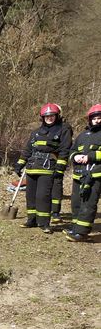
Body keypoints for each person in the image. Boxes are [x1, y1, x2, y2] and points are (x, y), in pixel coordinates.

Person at [14, 103, 72, 234]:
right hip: (32, 168)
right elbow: (28, 149)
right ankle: (32, 220)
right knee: (31, 196)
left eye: (52, 116)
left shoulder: (63, 130)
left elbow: (64, 150)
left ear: (57, 116)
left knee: (42, 196)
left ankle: (44, 223)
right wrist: (19, 164)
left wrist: (60, 167)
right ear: (42, 117)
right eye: (47, 116)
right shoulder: (35, 132)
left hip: (48, 168)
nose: (49, 118)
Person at [64, 104, 101, 242]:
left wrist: (90, 157)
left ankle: (82, 232)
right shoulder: (83, 135)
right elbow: (72, 150)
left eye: (100, 118)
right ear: (90, 119)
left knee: (88, 203)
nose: (98, 120)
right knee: (76, 202)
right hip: (78, 174)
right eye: (95, 118)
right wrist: (74, 156)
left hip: (94, 176)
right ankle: (75, 227)